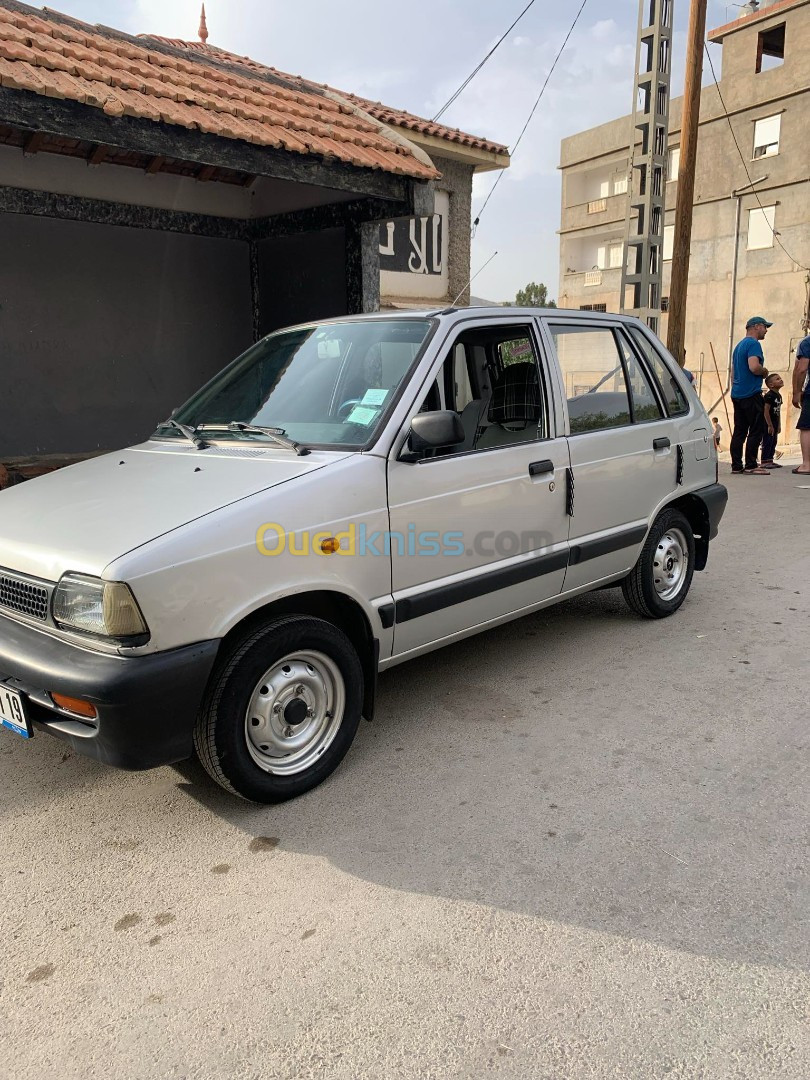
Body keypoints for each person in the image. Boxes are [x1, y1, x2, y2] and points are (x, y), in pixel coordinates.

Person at [730, 315, 772, 475]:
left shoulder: (739, 346)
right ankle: (751, 465)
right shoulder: (753, 344)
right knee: (756, 429)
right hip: (751, 393)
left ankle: (736, 465)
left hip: (737, 393)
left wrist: (736, 388)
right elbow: (754, 367)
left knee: (739, 430)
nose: (766, 330)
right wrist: (764, 371)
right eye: (765, 327)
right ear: (756, 326)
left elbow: (733, 374)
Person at [792, 333, 810, 475]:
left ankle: (806, 465)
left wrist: (797, 392)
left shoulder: (806, 343)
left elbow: (801, 369)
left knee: (806, 427)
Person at [760, 373, 784, 468]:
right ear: (771, 385)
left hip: (775, 422)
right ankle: (765, 461)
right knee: (767, 441)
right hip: (767, 423)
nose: (781, 380)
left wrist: (778, 425)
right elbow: (766, 410)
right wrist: (769, 425)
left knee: (773, 441)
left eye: (780, 378)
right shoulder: (769, 396)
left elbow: (778, 411)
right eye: (777, 379)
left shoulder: (778, 395)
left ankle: (770, 459)